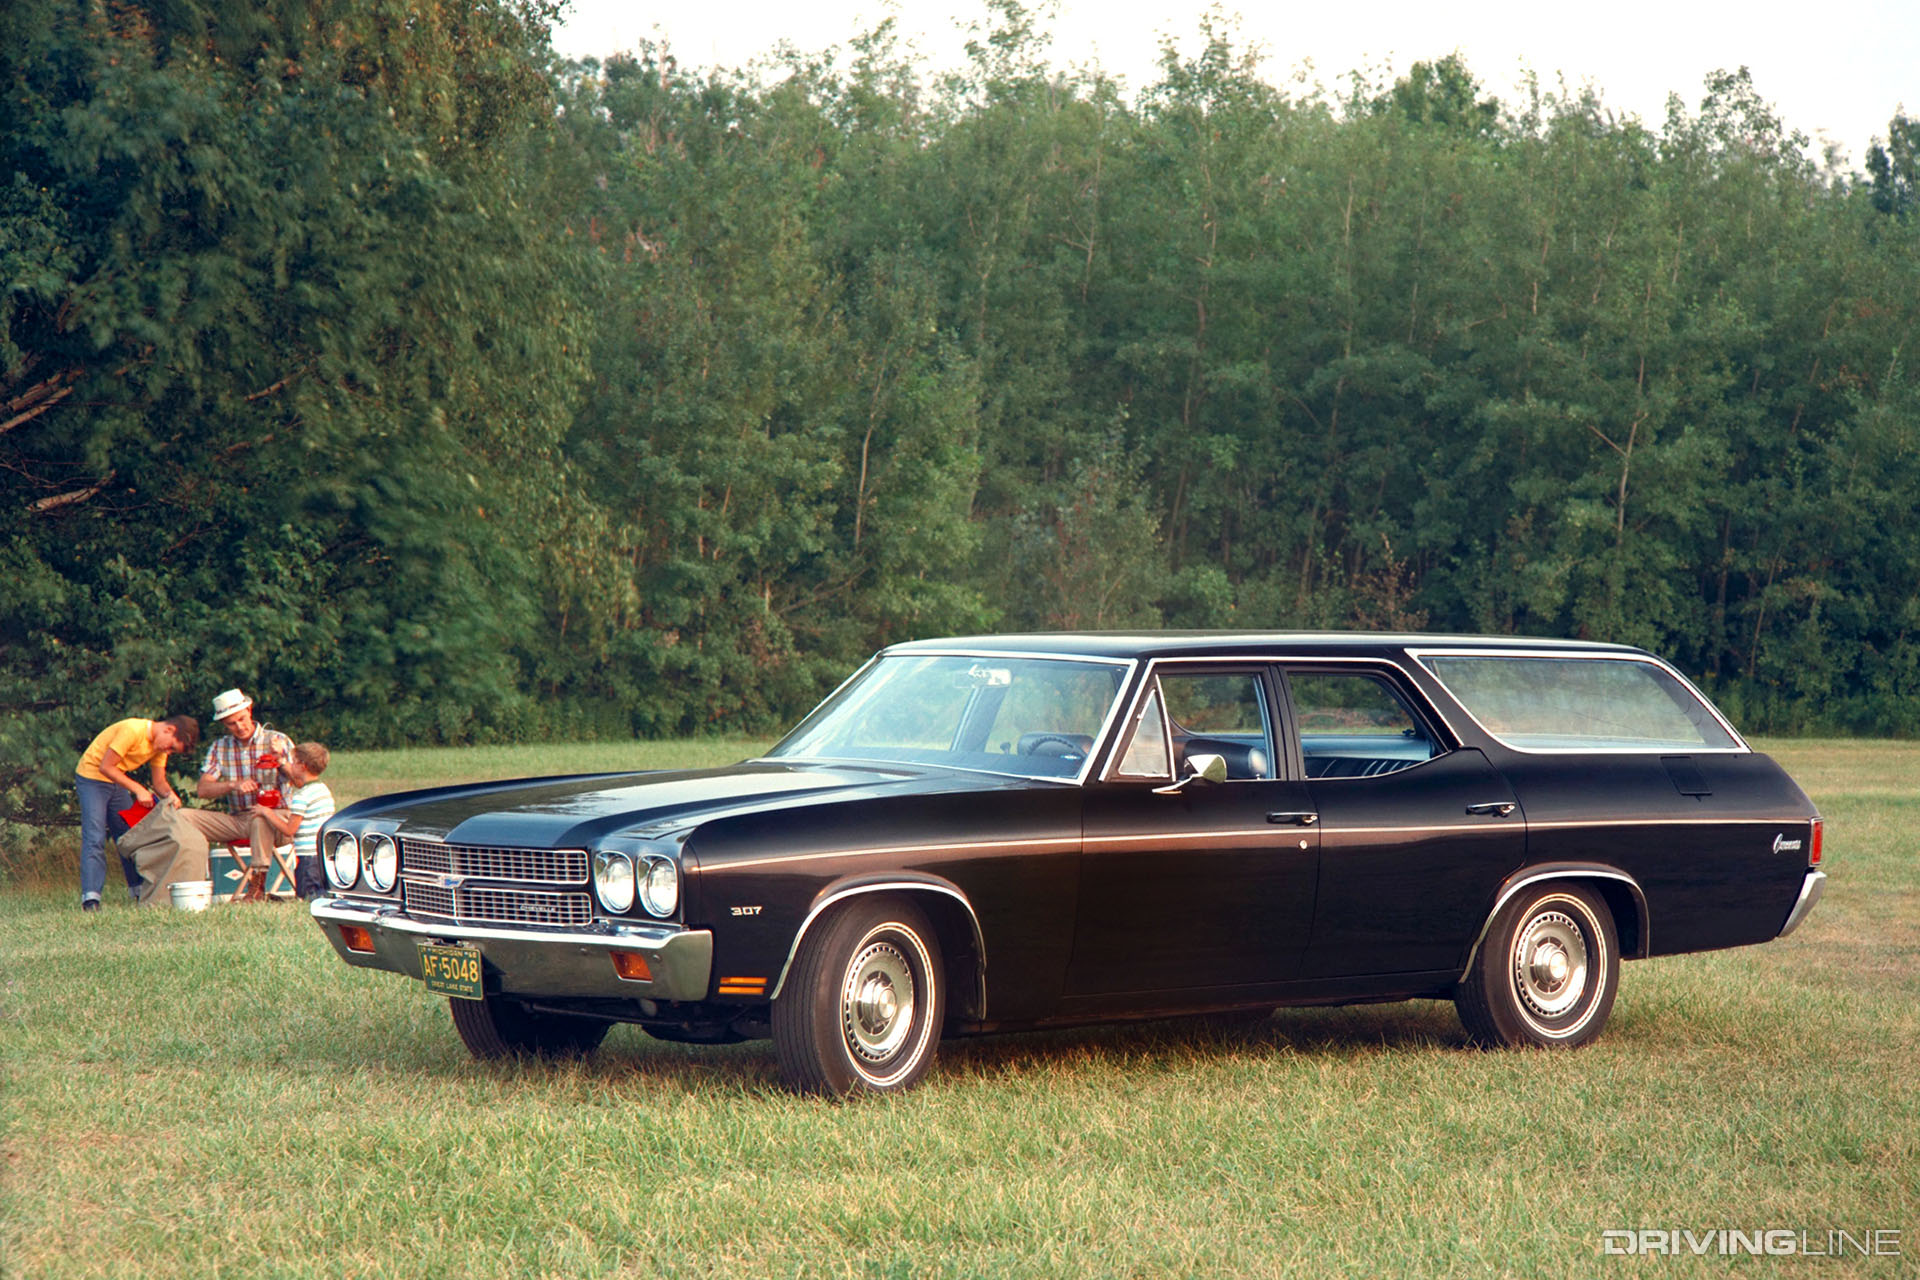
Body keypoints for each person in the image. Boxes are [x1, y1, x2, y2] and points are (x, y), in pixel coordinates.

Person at [74, 715, 200, 910]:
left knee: (130, 837)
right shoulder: (133, 730)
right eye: (171, 747)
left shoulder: (159, 746)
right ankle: (91, 898)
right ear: (169, 730)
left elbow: (159, 782)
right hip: (92, 777)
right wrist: (138, 790)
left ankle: (139, 891)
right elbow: (105, 767)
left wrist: (170, 795)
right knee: (95, 836)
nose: (168, 751)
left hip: (115, 780)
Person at [185, 688, 295, 891]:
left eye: (242, 719)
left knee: (261, 816)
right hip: (239, 819)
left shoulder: (277, 739)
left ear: (250, 710)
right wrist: (233, 784)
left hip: (278, 820)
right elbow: (203, 789)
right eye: (231, 724)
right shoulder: (220, 747)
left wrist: (280, 759)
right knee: (182, 816)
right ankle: (190, 881)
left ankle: (258, 884)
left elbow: (299, 780)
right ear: (224, 725)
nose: (239, 726)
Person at [253, 742, 335, 900]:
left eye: (292, 761)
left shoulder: (302, 796)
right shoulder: (323, 789)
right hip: (322, 854)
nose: (290, 765)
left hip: (308, 857)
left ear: (302, 766)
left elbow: (290, 830)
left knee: (308, 896)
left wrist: (266, 812)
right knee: (321, 893)